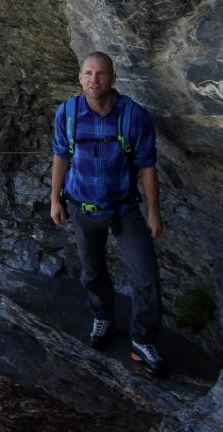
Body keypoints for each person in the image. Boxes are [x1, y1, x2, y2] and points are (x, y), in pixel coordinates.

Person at [49, 51, 165, 376]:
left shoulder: (134, 116)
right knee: (92, 272)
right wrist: (54, 200)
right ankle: (103, 316)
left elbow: (147, 165)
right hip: (83, 208)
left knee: (147, 278)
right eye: (88, 73)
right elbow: (60, 155)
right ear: (80, 78)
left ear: (113, 78)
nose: (94, 79)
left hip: (124, 209)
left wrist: (154, 212)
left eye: (100, 73)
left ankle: (143, 339)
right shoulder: (68, 113)